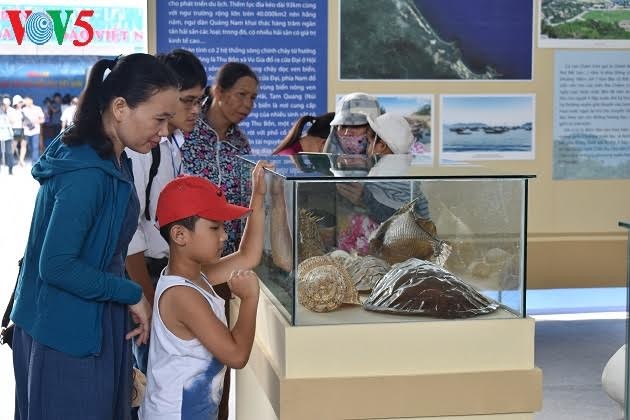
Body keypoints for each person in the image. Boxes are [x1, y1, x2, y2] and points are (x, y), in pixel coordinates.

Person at [10, 53, 180, 419]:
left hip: (84, 323)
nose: (165, 132)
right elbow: (56, 265)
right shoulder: (87, 172)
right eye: (160, 119)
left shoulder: (111, 157)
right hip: (67, 338)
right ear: (120, 107)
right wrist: (130, 291)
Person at [139, 171, 265, 419]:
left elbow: (248, 256)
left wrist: (258, 197)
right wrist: (249, 299)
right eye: (214, 228)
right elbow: (237, 355)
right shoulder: (183, 296)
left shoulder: (196, 276)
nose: (224, 235)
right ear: (180, 235)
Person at [180, 61, 258, 420]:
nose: (247, 104)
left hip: (225, 271)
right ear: (218, 92)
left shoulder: (241, 144)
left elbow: (243, 206)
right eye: (241, 95)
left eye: (253, 98)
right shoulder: (187, 135)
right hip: (186, 267)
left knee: (218, 370)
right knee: (186, 366)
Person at [20, 96, 45, 163]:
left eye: (27, 101)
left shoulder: (38, 108)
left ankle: (34, 162)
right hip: (26, 131)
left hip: (35, 131)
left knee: (35, 147)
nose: (25, 102)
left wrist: (35, 122)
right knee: (28, 146)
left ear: (31, 100)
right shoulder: (23, 109)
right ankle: (23, 160)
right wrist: (24, 123)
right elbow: (20, 120)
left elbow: (42, 120)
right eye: (25, 101)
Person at [9, 95, 27, 166]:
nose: (21, 103)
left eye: (21, 102)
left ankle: (21, 160)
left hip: (23, 129)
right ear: (16, 103)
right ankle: (10, 160)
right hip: (15, 129)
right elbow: (11, 121)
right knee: (13, 145)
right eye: (20, 102)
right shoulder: (11, 110)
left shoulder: (23, 110)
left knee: (23, 144)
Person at [0, 97, 14, 174]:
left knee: (9, 152)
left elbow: (13, 121)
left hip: (8, 134)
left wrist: (7, 117)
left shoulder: (10, 112)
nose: (3, 107)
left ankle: (10, 168)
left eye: (4, 105)